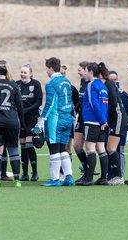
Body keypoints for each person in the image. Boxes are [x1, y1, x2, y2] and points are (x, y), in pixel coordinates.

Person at [35, 57, 74, 187]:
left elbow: (50, 104)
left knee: (54, 148)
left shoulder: (51, 83)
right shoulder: (67, 81)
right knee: (63, 148)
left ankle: (55, 179)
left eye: (47, 68)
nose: (46, 71)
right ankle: (68, 176)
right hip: (67, 118)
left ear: (51, 68)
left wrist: (41, 121)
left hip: (55, 119)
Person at [79, 62, 109, 186]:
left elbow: (94, 104)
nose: (84, 72)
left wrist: (101, 120)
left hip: (92, 121)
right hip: (102, 122)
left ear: (91, 71)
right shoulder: (102, 85)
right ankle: (103, 178)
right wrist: (104, 120)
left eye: (85, 70)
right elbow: (105, 105)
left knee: (90, 149)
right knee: (101, 148)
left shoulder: (91, 85)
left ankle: (89, 178)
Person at [101, 68, 128, 186]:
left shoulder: (111, 87)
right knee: (109, 148)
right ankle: (112, 176)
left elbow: (113, 106)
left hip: (118, 120)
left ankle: (119, 176)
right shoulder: (108, 86)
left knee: (113, 149)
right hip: (114, 121)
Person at [16, 64, 43, 181]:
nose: (23, 74)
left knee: (29, 144)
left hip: (32, 118)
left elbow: (39, 102)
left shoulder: (35, 84)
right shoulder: (17, 84)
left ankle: (35, 173)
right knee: (22, 146)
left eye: (25, 73)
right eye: (21, 72)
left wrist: (25, 110)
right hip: (21, 119)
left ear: (30, 74)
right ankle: (25, 173)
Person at [108, 70, 128, 178]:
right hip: (110, 125)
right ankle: (110, 174)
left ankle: (120, 175)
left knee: (120, 150)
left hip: (121, 124)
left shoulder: (121, 93)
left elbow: (125, 111)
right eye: (111, 79)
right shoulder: (106, 91)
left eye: (115, 79)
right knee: (110, 150)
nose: (113, 81)